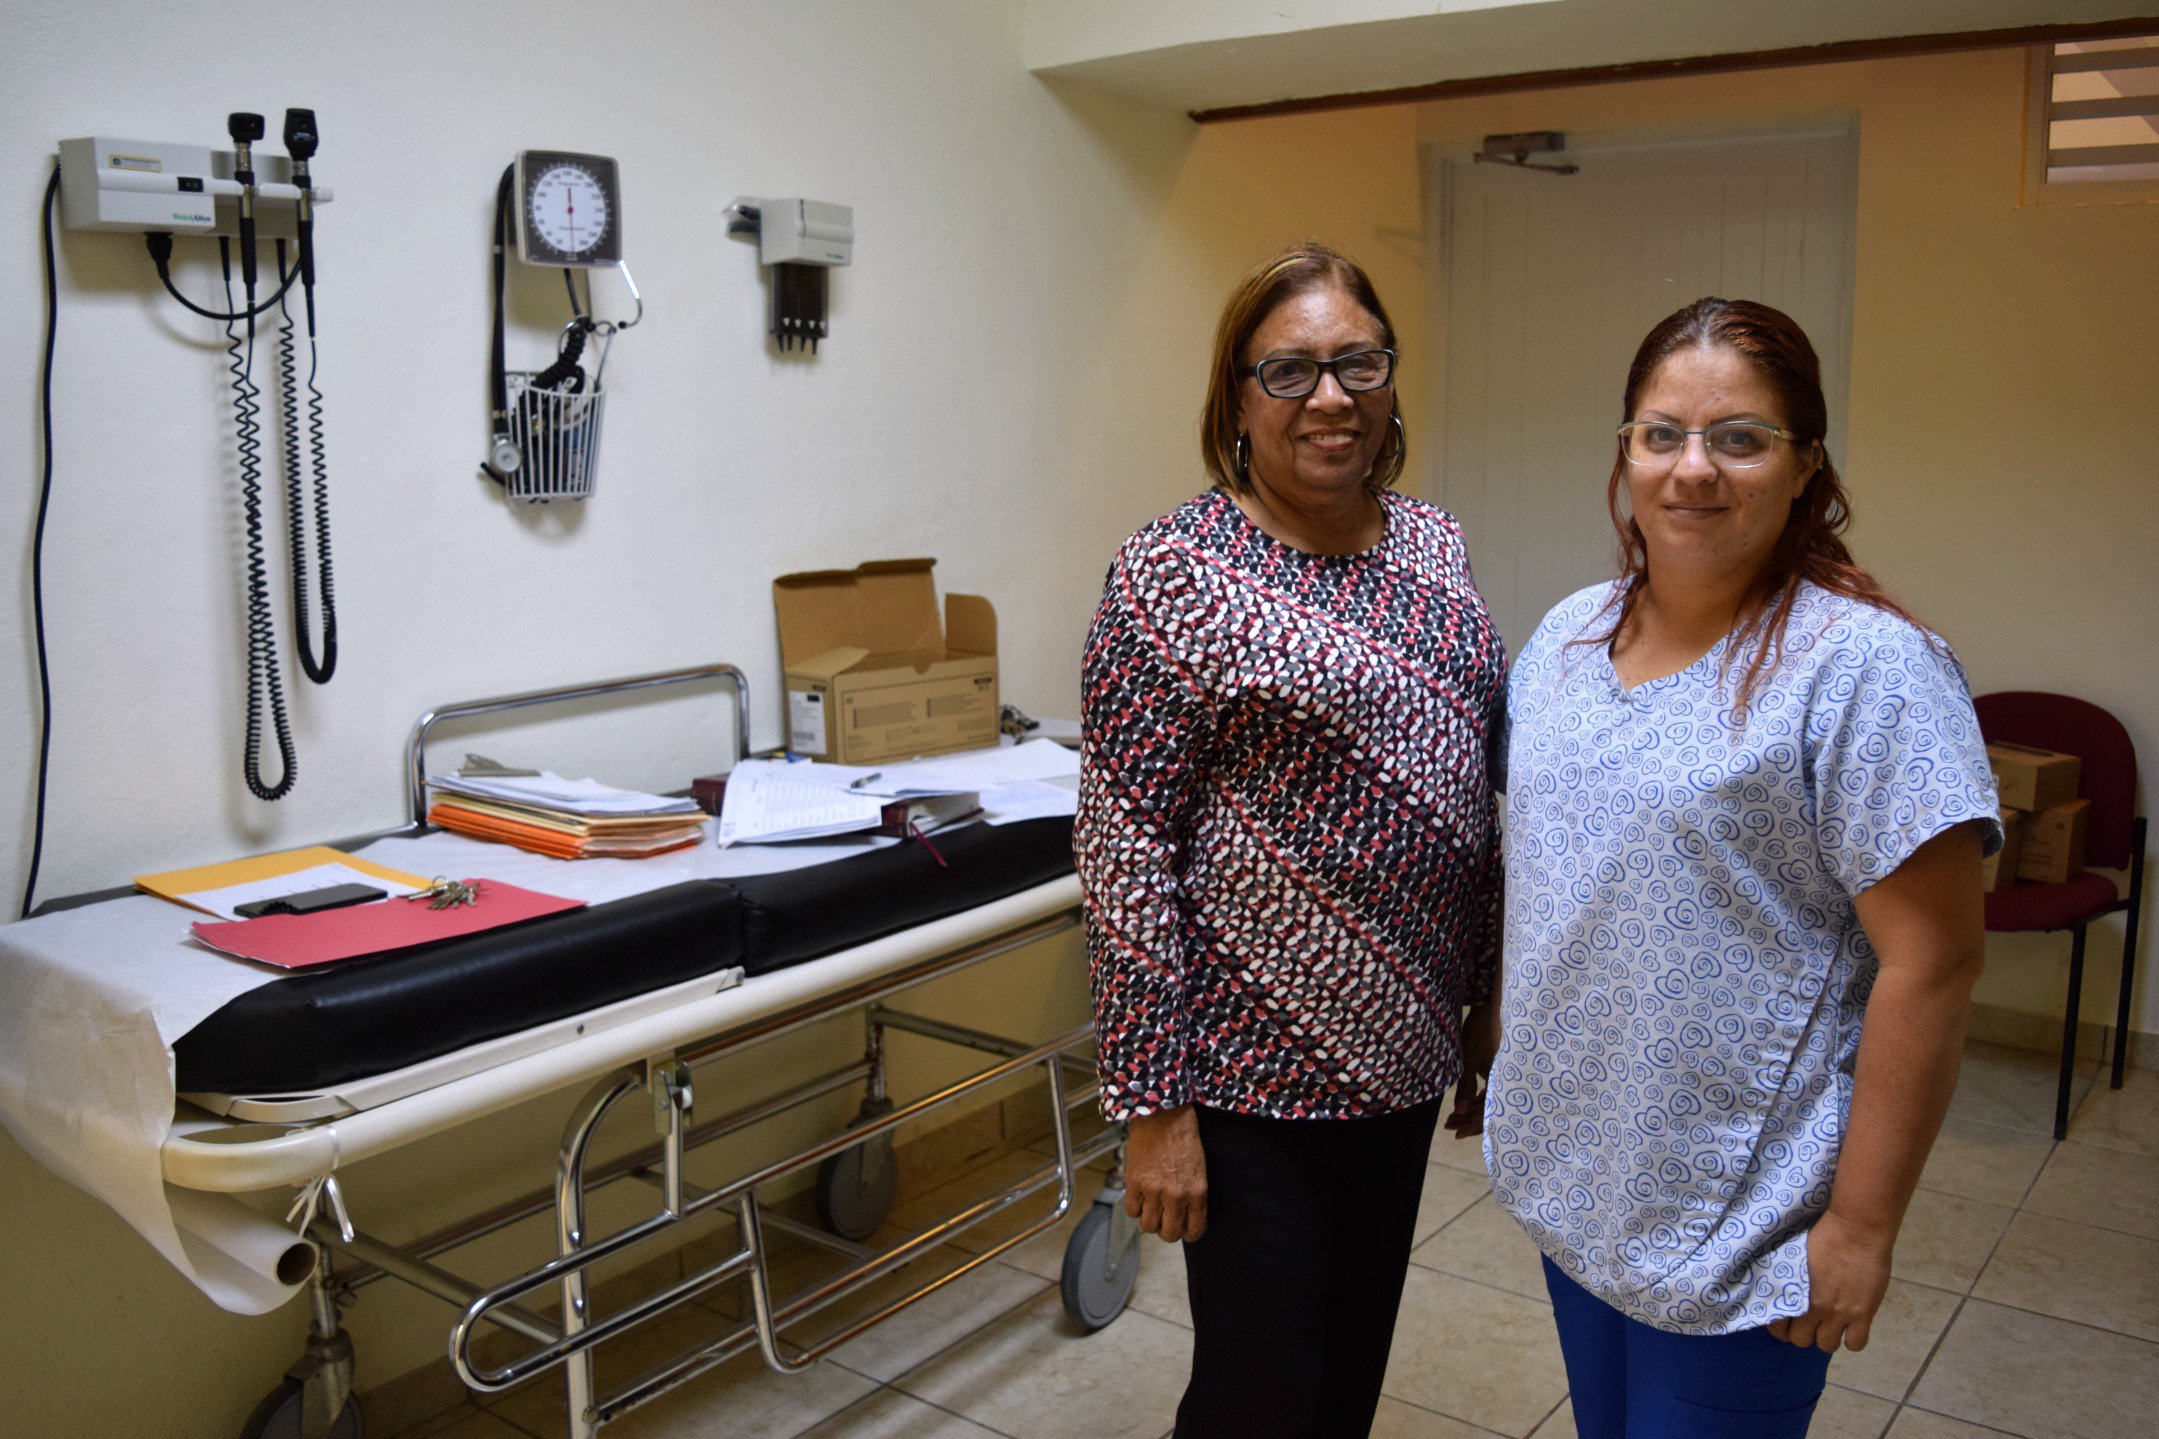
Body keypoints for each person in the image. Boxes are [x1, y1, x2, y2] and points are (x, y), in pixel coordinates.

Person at [1477, 297, 1999, 1438]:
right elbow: (1555, 872)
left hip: (1738, 1219)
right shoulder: (1567, 638)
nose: (1691, 469)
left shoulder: (1863, 670)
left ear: (1804, 464)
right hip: (1578, 1171)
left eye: (1739, 437)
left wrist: (1859, 1228)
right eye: (1658, 432)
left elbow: (1935, 961)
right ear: (1623, 449)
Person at [1073, 242, 1507, 1439]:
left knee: (1349, 1363)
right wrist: (1153, 1106)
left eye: (1358, 361)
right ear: (1237, 397)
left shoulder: (1433, 546)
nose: (1331, 396)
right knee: (1258, 1389)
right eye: (1292, 370)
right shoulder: (1171, 575)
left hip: (1402, 1050)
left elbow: (1472, 780)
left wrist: (1482, 996)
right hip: (1249, 1075)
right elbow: (1121, 851)